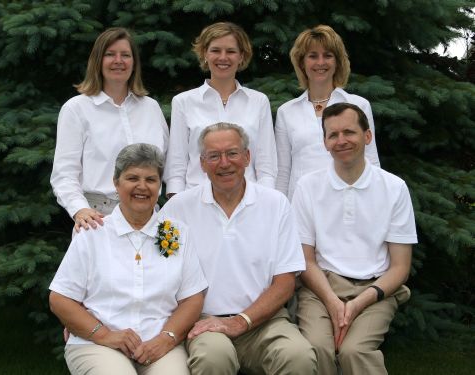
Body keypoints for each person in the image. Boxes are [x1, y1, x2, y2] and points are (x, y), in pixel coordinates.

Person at [160, 123, 317, 375]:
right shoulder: (177, 210)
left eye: (232, 153)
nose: (224, 163)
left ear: (247, 157)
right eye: (214, 156)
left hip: (265, 321)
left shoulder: (276, 204)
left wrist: (240, 321)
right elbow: (151, 267)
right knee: (213, 359)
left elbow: (285, 282)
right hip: (204, 322)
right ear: (201, 163)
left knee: (298, 357)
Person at [49, 143, 207, 375]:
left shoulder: (176, 233)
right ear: (116, 183)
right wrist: (105, 335)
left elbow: (192, 298)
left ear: (159, 186)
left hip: (160, 345)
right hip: (96, 344)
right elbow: (60, 299)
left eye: (151, 179)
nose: (142, 186)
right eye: (132, 178)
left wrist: (166, 338)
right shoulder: (93, 232)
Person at [292, 103, 417, 375]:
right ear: (324, 142)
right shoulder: (307, 187)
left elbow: (400, 267)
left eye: (349, 132)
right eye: (332, 135)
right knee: (316, 348)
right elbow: (306, 259)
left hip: (375, 288)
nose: (341, 141)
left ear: (367, 137)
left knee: (354, 351)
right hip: (321, 286)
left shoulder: (394, 188)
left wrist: (356, 305)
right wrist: (334, 304)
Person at [50, 27, 169, 232]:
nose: (118, 61)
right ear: (98, 61)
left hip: (149, 220)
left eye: (125, 55)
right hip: (98, 220)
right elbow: (64, 174)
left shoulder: (151, 108)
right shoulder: (76, 109)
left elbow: (166, 165)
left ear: (134, 63)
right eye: (110, 54)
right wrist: (79, 210)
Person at [164, 22, 277, 197]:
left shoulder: (259, 101)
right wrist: (176, 203)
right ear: (204, 54)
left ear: (241, 56)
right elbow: (177, 165)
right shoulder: (183, 102)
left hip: (248, 200)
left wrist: (265, 201)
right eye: (216, 50)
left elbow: (266, 163)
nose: (223, 57)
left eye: (231, 51)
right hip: (196, 200)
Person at [275, 24, 380, 200]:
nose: (320, 63)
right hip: (302, 206)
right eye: (313, 56)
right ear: (302, 62)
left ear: (337, 62)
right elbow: (283, 172)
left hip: (348, 201)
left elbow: (372, 160)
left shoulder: (358, 105)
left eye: (328, 56)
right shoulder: (286, 112)